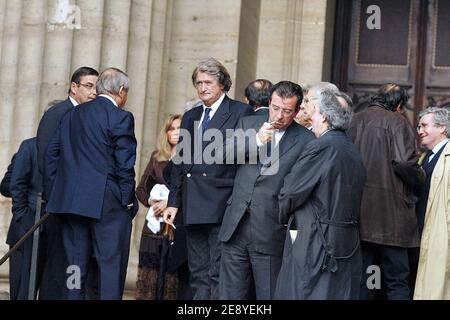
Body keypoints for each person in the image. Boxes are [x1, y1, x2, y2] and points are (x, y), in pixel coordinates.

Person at [44, 67, 138, 300]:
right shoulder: (121, 117)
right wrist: (127, 199)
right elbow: (124, 163)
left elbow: (51, 155)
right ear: (122, 91)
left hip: (72, 202)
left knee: (74, 264)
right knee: (109, 264)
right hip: (107, 202)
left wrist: (60, 190)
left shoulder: (71, 115)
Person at [163, 58, 253, 300]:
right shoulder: (191, 115)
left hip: (222, 205)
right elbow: (181, 161)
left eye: (208, 82)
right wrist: (173, 201)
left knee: (217, 273)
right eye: (198, 83)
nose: (202, 88)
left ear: (222, 84)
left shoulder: (240, 112)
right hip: (192, 205)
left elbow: (248, 161)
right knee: (198, 273)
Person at [218, 81, 314, 300]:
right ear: (269, 102)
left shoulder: (307, 140)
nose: (279, 116)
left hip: (272, 229)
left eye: (287, 111)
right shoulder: (249, 123)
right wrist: (257, 141)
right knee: (228, 297)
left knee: (269, 295)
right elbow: (224, 155)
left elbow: (300, 188)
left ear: (297, 111)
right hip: (236, 225)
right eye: (275, 108)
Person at [274, 89, 366, 299]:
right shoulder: (351, 149)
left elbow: (290, 192)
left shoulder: (323, 146)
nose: (312, 118)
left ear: (324, 116)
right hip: (346, 243)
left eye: (314, 113)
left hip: (317, 242)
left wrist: (282, 218)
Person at [347, 83, 423, 300]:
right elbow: (404, 163)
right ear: (399, 105)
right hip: (392, 220)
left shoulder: (355, 119)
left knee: (363, 281)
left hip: (359, 216)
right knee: (397, 281)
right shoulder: (397, 122)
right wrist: (422, 178)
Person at [36, 67, 99, 300]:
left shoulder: (88, 115)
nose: (94, 92)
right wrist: (57, 198)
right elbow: (47, 157)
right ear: (74, 87)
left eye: (96, 87)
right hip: (60, 204)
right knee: (57, 262)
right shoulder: (58, 113)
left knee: (74, 262)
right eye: (89, 86)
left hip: (78, 204)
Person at [135, 114, 191, 300]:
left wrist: (171, 202)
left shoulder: (190, 156)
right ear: (166, 133)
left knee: (171, 279)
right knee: (149, 279)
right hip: (153, 227)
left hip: (176, 225)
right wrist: (153, 202)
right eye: (171, 128)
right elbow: (141, 189)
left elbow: (191, 189)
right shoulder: (156, 158)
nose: (175, 132)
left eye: (179, 128)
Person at [414, 107, 450, 299]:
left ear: (442, 128)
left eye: (424, 126)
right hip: (421, 232)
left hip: (440, 236)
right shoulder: (425, 156)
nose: (420, 130)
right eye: (419, 126)